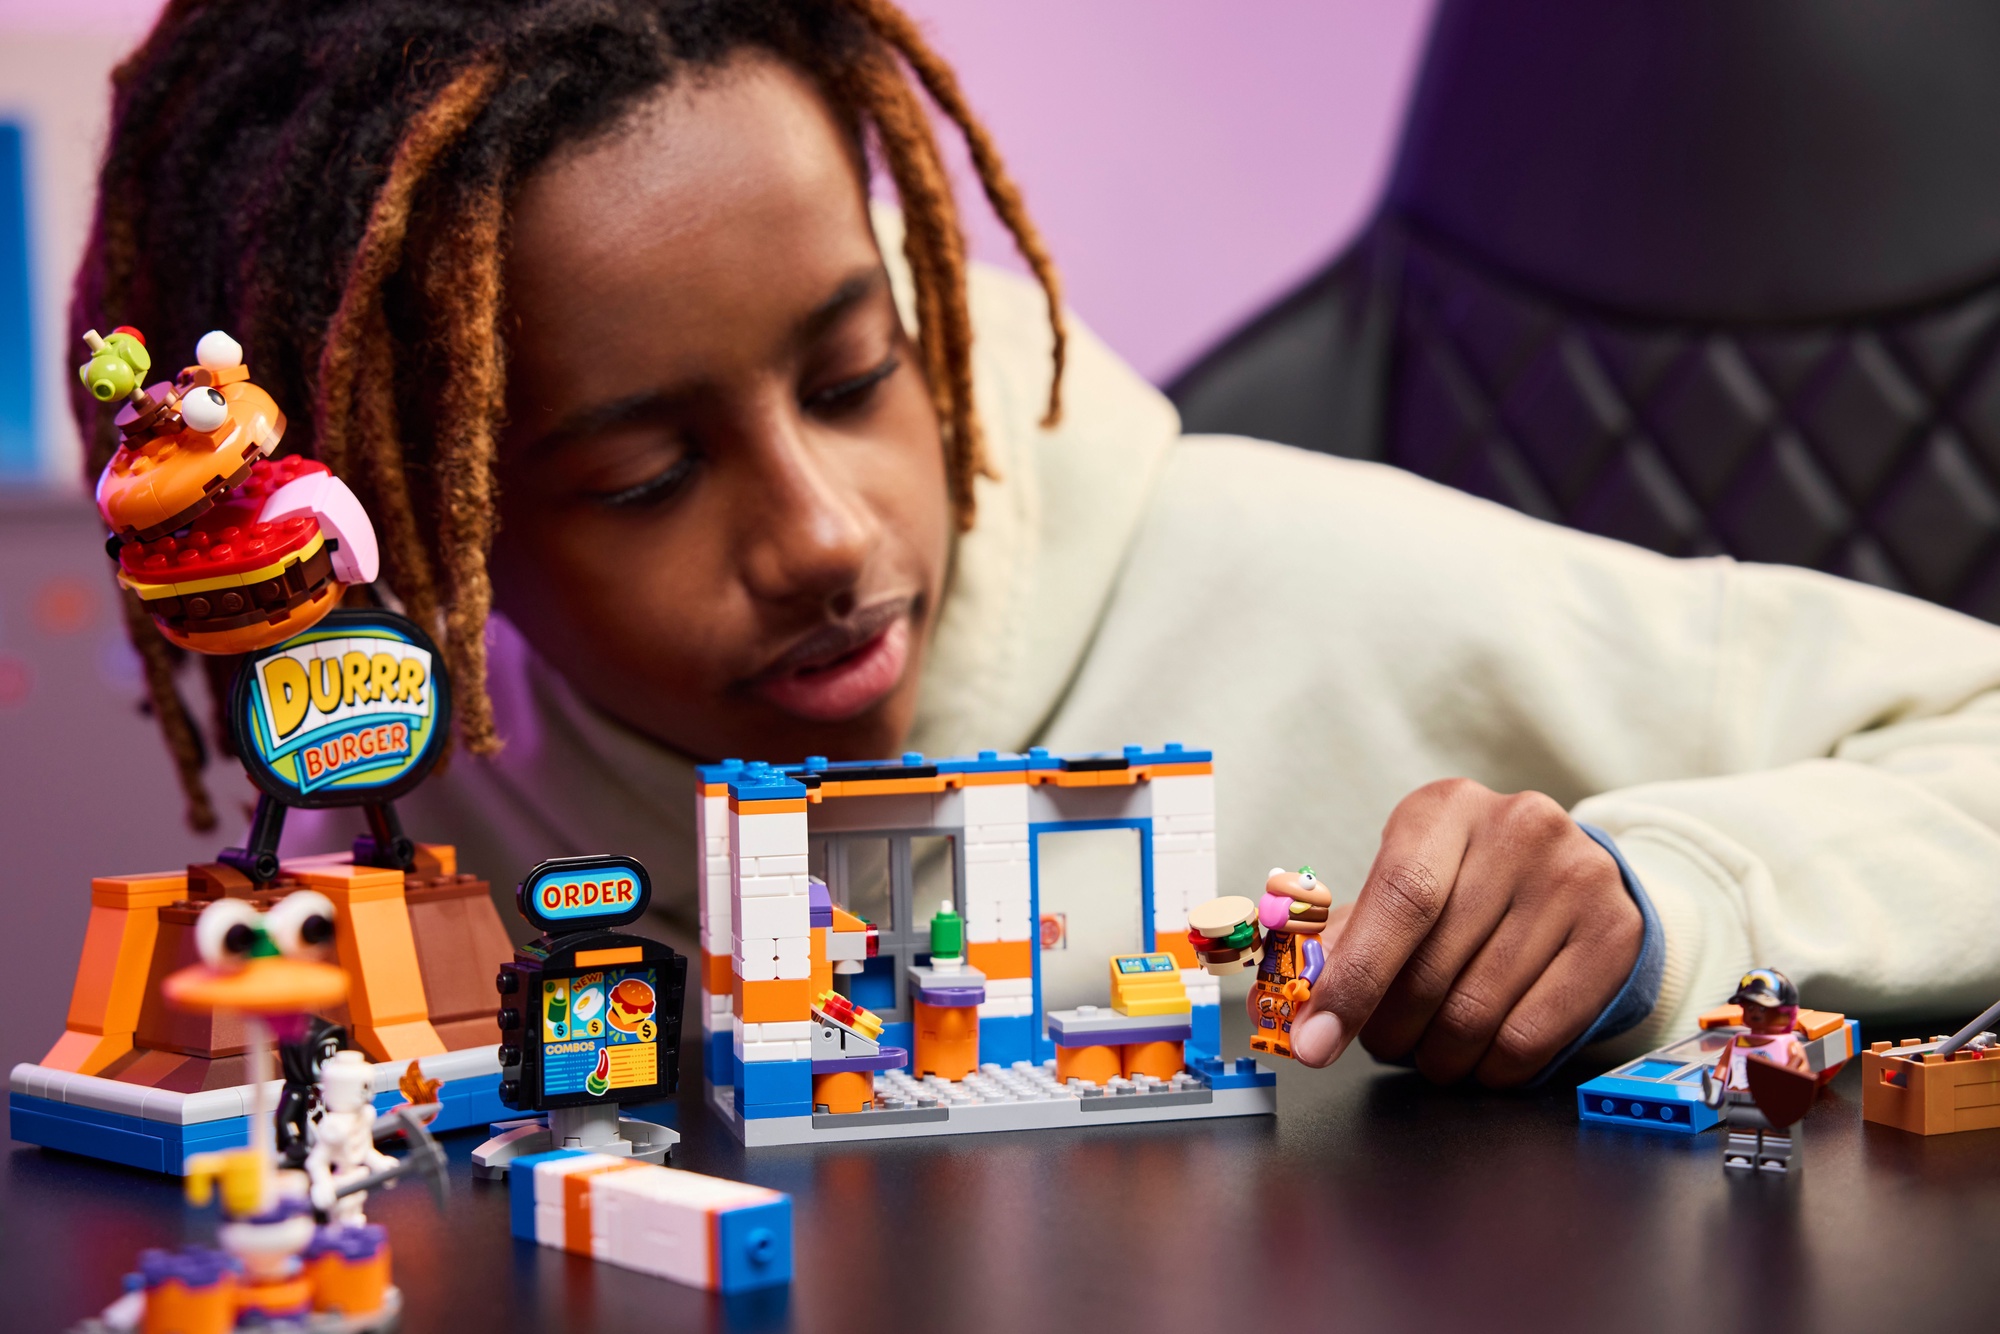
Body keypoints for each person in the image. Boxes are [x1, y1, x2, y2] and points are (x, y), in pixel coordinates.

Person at [73, 0, 2000, 1089]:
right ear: (420, 509)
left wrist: (1672, 895)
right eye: (646, 475)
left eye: (856, 374)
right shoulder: (434, 787)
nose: (825, 533)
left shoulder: (1316, 576)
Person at [1702, 969, 1811, 1174]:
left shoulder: (1789, 1044)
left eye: (1763, 1008)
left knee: (1775, 1128)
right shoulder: (1737, 1041)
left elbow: (1802, 1072)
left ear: (1784, 1012)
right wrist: (1716, 1087)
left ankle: (1776, 1156)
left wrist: (1792, 1088)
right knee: (1743, 1126)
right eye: (1750, 1007)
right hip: (1740, 1096)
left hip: (1774, 1100)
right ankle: (1741, 1153)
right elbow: (1724, 1066)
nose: (1755, 1013)